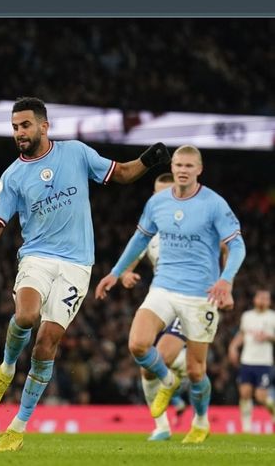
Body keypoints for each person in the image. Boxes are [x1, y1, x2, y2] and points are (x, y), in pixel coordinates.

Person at [0, 96, 170, 451]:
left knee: (47, 343)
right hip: (37, 258)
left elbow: (120, 173)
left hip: (77, 266)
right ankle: (7, 367)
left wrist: (147, 162)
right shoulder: (12, 176)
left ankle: (17, 427)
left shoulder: (75, 153)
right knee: (26, 316)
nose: (19, 133)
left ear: (44, 126)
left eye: (25, 125)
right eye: (15, 127)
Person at [95, 145, 246, 444]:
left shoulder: (214, 204)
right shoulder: (158, 203)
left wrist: (226, 281)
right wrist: (115, 272)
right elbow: (139, 239)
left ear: (199, 169)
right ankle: (167, 382)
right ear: (173, 166)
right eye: (178, 164)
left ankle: (200, 421)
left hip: (199, 295)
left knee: (196, 369)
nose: (182, 169)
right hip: (163, 287)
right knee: (138, 344)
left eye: (189, 165)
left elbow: (236, 245)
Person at [117, 173, 188, 441]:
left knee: (166, 360)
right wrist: (125, 274)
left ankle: (187, 393)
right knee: (146, 364)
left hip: (187, 303)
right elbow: (131, 259)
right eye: (156, 194)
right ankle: (162, 426)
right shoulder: (150, 229)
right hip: (160, 301)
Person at [228, 289, 275, 433]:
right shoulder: (247, 316)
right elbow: (242, 334)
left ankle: (273, 411)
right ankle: (246, 428)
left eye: (265, 298)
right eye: (260, 297)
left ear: (269, 301)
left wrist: (269, 337)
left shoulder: (273, 317)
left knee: (261, 396)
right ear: (255, 299)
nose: (262, 300)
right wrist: (233, 347)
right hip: (247, 360)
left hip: (264, 362)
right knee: (245, 393)